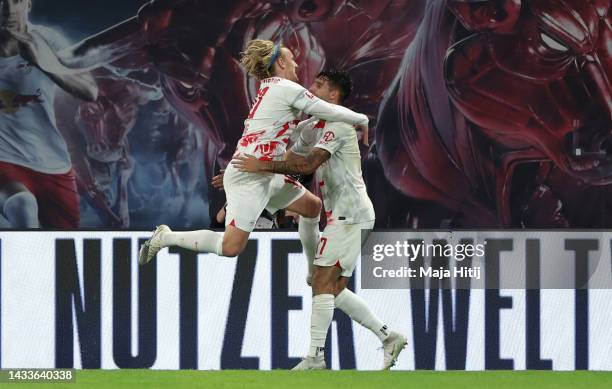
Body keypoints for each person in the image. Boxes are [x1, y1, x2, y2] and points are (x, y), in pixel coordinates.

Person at [232, 70, 407, 370]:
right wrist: (243, 173)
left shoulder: (340, 126)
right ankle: (388, 337)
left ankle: (315, 357)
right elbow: (292, 164)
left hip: (351, 216)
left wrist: (260, 164)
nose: (310, 88)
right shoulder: (312, 126)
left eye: (318, 85)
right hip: (339, 216)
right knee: (331, 287)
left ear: (333, 96)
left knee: (323, 283)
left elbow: (308, 163)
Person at [138, 39, 369, 264]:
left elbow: (292, 132)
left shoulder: (271, 89)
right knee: (230, 248)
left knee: (311, 206)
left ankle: (313, 269)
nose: (297, 65)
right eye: (291, 59)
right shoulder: (285, 87)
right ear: (279, 62)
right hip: (252, 176)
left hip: (265, 173)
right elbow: (328, 110)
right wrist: (362, 119)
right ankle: (165, 237)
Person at [0, 0, 98, 228]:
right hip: (4, 159)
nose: (8, 9)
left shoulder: (47, 40)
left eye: (15, 1)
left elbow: (90, 90)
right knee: (22, 206)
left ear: (28, 4)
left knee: (64, 246)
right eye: (1, 2)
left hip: (52, 163)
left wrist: (44, 63)